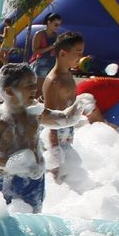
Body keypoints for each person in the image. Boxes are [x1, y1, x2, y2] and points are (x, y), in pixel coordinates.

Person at [0, 63, 90, 212]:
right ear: (9, 91)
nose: (34, 89)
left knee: (33, 219)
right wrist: (17, 164)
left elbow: (65, 119)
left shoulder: (35, 113)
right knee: (7, 219)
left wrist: (79, 105)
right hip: (9, 179)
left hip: (36, 179)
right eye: (28, 85)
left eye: (34, 84)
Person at [42, 31, 86, 183]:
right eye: (78, 52)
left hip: (66, 131)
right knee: (53, 172)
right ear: (62, 53)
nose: (81, 57)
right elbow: (48, 116)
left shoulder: (68, 76)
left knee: (66, 170)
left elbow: (70, 104)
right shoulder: (53, 80)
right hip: (54, 133)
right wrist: (53, 146)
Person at [30, 14, 62, 78]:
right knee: (40, 86)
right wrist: (51, 47)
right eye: (56, 25)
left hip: (53, 63)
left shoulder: (56, 35)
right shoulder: (39, 34)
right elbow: (35, 51)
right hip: (42, 63)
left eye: (59, 25)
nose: (57, 27)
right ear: (49, 22)